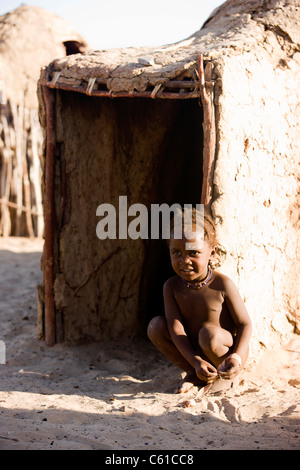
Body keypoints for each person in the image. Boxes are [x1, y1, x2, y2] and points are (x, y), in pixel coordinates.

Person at [147, 207, 252, 394]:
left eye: (193, 253)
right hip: (194, 353)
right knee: (155, 327)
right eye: (176, 253)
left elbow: (245, 324)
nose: (184, 260)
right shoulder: (171, 287)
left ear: (212, 253)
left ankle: (226, 374)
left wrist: (237, 357)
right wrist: (195, 362)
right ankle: (196, 373)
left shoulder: (222, 284)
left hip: (223, 350)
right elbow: (176, 329)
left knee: (209, 335)